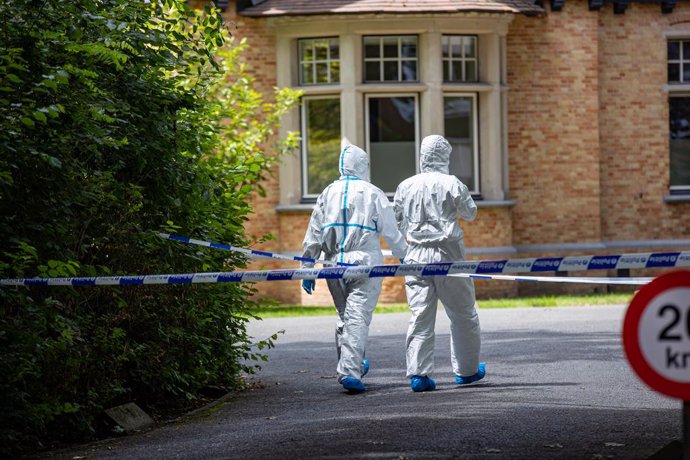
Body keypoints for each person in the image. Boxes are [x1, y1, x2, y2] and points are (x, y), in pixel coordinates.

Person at [300, 144, 408, 394]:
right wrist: (406, 257)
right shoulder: (372, 192)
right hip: (364, 262)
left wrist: (308, 267)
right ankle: (349, 370)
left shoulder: (328, 192)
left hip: (333, 263)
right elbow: (391, 231)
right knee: (357, 317)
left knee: (345, 316)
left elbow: (314, 232)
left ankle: (352, 360)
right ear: (363, 165)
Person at [393, 134, 485, 392]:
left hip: (415, 258)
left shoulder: (405, 185)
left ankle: (419, 374)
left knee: (420, 316)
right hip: (448, 258)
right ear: (445, 155)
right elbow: (470, 213)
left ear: (422, 155)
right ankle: (466, 371)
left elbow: (398, 221)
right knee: (463, 314)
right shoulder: (451, 182)